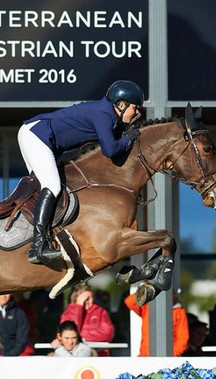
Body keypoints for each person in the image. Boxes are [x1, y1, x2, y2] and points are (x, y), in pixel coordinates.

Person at [18, 79, 144, 265]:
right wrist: (127, 140)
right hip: (37, 136)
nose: (138, 113)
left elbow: (111, 139)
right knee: (51, 186)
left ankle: (40, 238)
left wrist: (125, 131)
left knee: (47, 187)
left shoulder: (108, 114)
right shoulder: (104, 114)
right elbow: (110, 150)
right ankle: (38, 246)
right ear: (122, 105)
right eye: (135, 108)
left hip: (35, 135)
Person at [124, 292, 189, 357]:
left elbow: (182, 339)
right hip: (145, 356)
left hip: (168, 359)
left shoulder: (178, 311)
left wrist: (170, 355)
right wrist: (146, 288)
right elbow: (130, 302)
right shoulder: (147, 306)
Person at [60, 283, 114, 356]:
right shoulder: (68, 313)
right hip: (74, 354)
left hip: (100, 355)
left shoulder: (100, 311)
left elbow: (108, 334)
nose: (86, 301)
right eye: (83, 298)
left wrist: (79, 336)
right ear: (75, 299)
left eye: (89, 298)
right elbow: (67, 333)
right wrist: (78, 307)